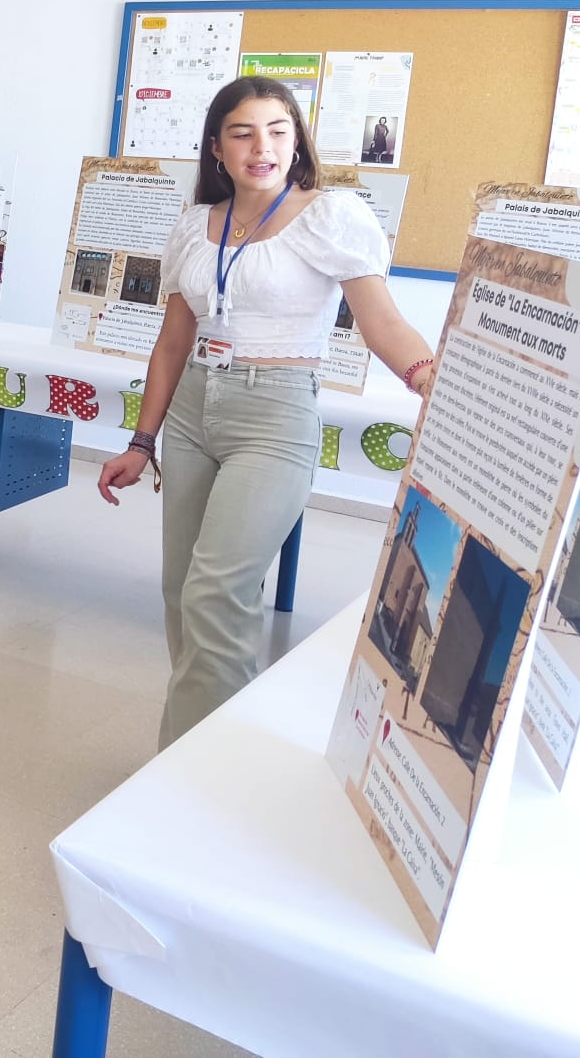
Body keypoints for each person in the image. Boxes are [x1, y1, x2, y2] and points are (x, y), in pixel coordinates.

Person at [98, 77, 436, 748]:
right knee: (180, 595)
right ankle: (208, 748)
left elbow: (383, 324)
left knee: (217, 595)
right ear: (217, 148)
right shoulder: (197, 224)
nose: (263, 147)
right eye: (244, 132)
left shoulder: (329, 215)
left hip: (274, 415)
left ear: (298, 140)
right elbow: (172, 343)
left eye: (278, 131)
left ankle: (189, 775)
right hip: (195, 410)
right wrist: (142, 442)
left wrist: (429, 378)